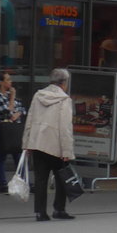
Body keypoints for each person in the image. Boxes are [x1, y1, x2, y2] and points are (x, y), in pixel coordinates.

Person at [21, 68, 76, 221]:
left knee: (40, 179)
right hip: (56, 145)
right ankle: (59, 209)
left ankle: (40, 212)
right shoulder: (64, 100)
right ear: (64, 83)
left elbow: (29, 120)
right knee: (61, 178)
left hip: (37, 143)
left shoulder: (38, 95)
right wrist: (67, 151)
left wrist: (26, 143)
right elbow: (65, 128)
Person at [0, 70, 26, 193]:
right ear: (1, 82)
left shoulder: (11, 96)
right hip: (4, 130)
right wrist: (12, 98)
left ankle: (23, 181)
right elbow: (7, 112)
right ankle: (2, 183)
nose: (10, 82)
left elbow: (22, 109)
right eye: (7, 80)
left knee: (18, 156)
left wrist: (18, 112)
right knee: (2, 157)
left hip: (14, 130)